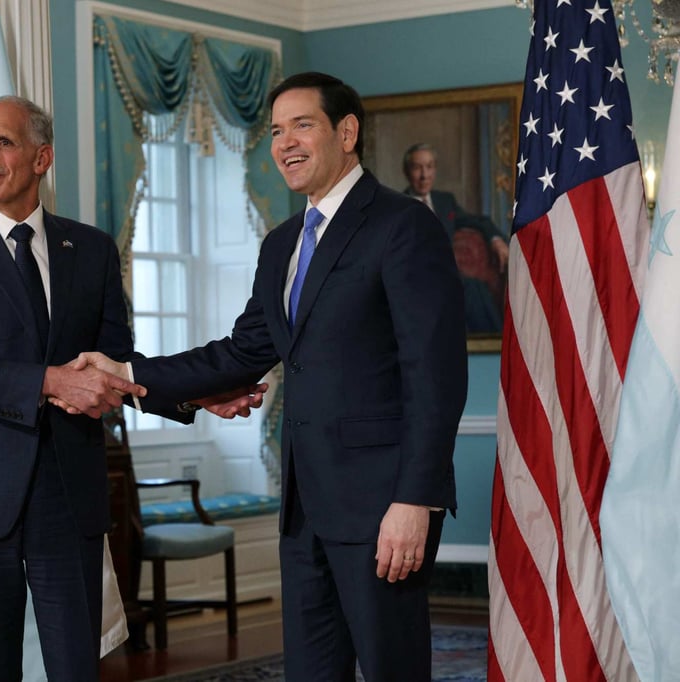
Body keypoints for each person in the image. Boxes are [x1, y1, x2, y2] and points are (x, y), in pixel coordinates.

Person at [76, 72, 468, 681]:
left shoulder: (402, 227)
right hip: (304, 504)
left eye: (301, 125)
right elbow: (239, 353)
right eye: (276, 131)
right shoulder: (282, 243)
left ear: (346, 132)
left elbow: (435, 376)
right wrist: (127, 371)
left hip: (381, 505)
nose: (284, 143)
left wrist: (414, 500)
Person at [0, 95, 151, 681]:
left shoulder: (89, 249)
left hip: (69, 488)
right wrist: (49, 380)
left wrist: (195, 393)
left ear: (42, 158)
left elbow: (117, 357)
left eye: (3, 143)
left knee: (75, 667)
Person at [403, 142, 510, 271]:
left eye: (429, 167)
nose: (424, 176)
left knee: (478, 289)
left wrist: (496, 240)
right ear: (406, 172)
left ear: (435, 170)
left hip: (449, 276)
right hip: (415, 277)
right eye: (417, 168)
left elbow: (478, 221)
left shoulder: (445, 202)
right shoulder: (397, 207)